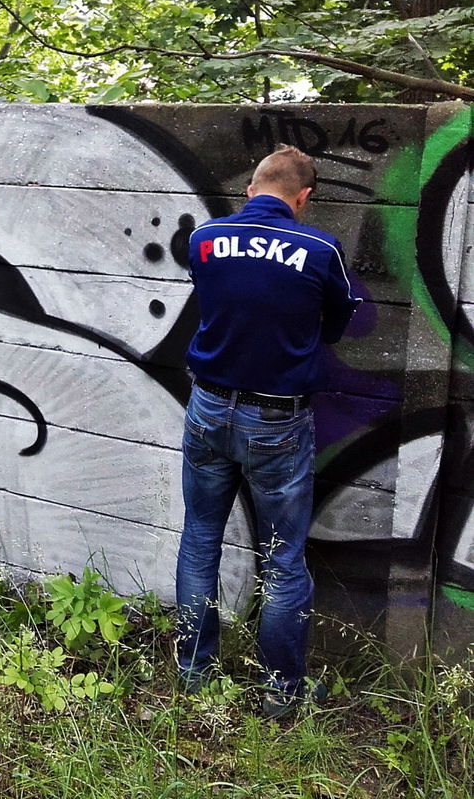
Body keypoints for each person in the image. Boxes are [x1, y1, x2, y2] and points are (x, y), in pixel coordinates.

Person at [175, 144, 361, 719]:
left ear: (251, 189)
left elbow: (215, 298)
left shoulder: (204, 239)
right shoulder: (319, 247)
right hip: (277, 419)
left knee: (201, 537)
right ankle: (282, 696)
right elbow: (336, 324)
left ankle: (194, 674)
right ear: (303, 198)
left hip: (207, 408)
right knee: (282, 558)